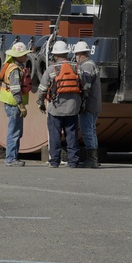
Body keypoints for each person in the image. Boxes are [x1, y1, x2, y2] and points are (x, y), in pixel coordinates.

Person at [36, 40, 82, 168]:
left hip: (55, 109)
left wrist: (40, 102)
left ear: (55, 55)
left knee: (55, 135)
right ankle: (73, 161)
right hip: (73, 108)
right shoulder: (77, 68)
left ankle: (54, 161)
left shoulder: (51, 69)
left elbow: (43, 89)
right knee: (72, 135)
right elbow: (84, 87)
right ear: (67, 53)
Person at [0, 42, 32, 167]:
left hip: (12, 103)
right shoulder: (15, 70)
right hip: (13, 104)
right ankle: (11, 158)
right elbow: (16, 89)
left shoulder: (12, 67)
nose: (26, 57)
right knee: (14, 132)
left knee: (16, 131)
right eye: (24, 55)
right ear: (18, 56)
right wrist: (20, 105)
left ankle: (12, 157)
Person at [73, 40, 101, 168]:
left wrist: (82, 101)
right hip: (94, 103)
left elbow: (86, 86)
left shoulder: (86, 66)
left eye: (76, 55)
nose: (75, 58)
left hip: (89, 104)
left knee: (87, 131)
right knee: (92, 130)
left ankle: (92, 160)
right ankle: (93, 158)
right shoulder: (91, 64)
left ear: (79, 54)